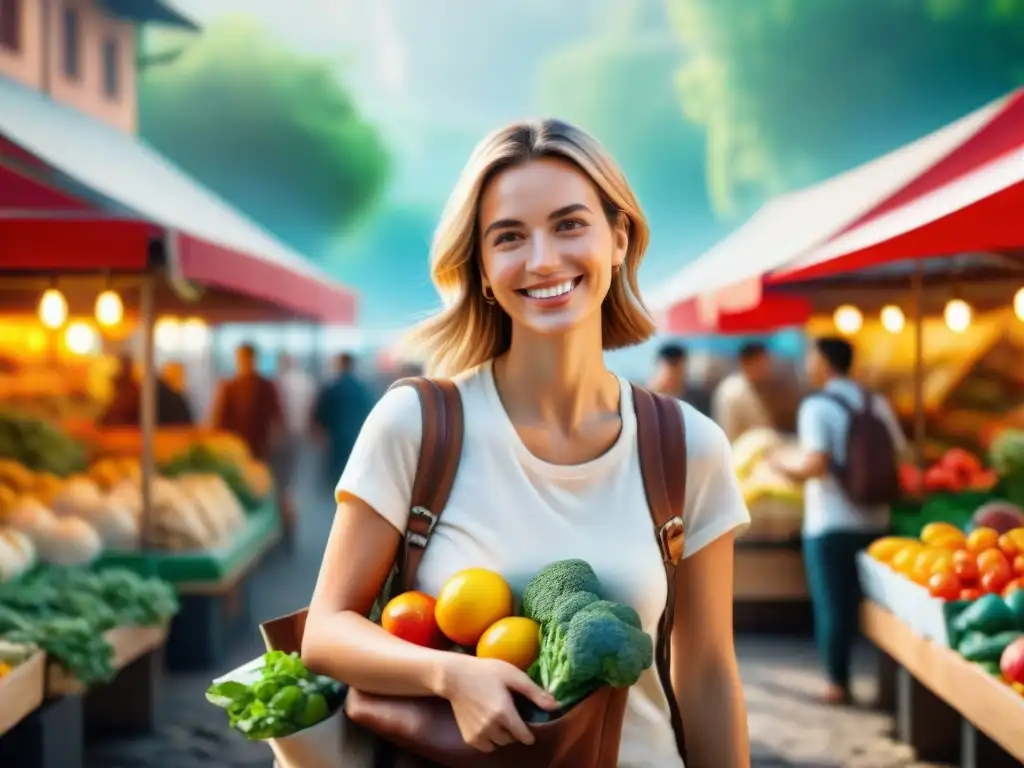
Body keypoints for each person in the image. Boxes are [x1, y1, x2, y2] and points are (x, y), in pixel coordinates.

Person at [302, 119, 751, 767]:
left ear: (618, 239)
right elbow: (325, 631)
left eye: (570, 224)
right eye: (509, 237)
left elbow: (707, 671)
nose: (542, 259)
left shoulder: (688, 447)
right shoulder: (418, 425)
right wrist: (448, 675)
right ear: (483, 270)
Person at [770, 337, 907, 705]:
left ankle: (837, 682)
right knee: (880, 606)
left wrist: (780, 461)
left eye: (811, 357)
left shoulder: (818, 405)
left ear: (824, 362)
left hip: (830, 523)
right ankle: (891, 686)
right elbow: (899, 454)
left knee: (833, 604)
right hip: (877, 519)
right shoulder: (875, 402)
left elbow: (815, 463)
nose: (807, 365)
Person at [210, 343, 283, 462]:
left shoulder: (266, 386)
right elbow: (220, 418)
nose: (244, 362)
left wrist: (273, 439)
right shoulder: (230, 386)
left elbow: (277, 416)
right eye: (241, 358)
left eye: (247, 358)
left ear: (254, 360)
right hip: (234, 444)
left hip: (259, 443)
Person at [312, 353, 374, 489]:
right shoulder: (362, 388)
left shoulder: (333, 387)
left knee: (337, 473)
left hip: (336, 437)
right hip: (357, 436)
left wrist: (320, 430)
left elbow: (321, 412)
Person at [711, 341, 774, 442]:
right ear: (747, 363)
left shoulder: (758, 386)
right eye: (762, 362)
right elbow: (729, 432)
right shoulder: (732, 391)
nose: (766, 368)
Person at [648, 342, 712, 416]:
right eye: (670, 373)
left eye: (679, 371)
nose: (674, 377)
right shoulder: (644, 397)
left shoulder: (698, 399)